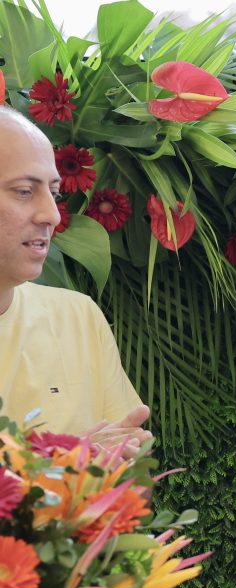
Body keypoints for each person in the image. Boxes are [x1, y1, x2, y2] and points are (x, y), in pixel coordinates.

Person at [0, 104, 150, 453]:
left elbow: (137, 484)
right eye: (24, 191)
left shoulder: (78, 317)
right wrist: (62, 470)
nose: (51, 214)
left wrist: (107, 465)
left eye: (54, 193)